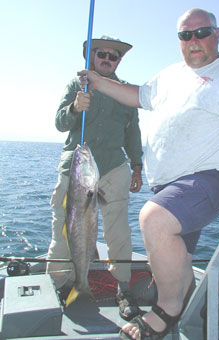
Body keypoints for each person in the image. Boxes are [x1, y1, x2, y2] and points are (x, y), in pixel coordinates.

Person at [78, 8, 219, 340]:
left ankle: (167, 310)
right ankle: (184, 295)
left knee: (154, 220)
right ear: (178, 40)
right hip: (169, 184)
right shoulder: (168, 75)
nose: (194, 41)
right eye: (185, 35)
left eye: (202, 32)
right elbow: (136, 96)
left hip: (208, 178)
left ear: (217, 34)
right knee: (179, 257)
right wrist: (97, 82)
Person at [46, 35, 144, 321]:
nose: (107, 59)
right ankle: (63, 285)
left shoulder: (125, 92)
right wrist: (76, 107)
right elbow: (59, 123)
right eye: (102, 54)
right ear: (91, 56)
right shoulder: (76, 85)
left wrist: (137, 166)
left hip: (114, 167)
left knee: (118, 232)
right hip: (76, 168)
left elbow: (133, 132)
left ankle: (123, 289)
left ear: (119, 61)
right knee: (63, 228)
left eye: (113, 56)